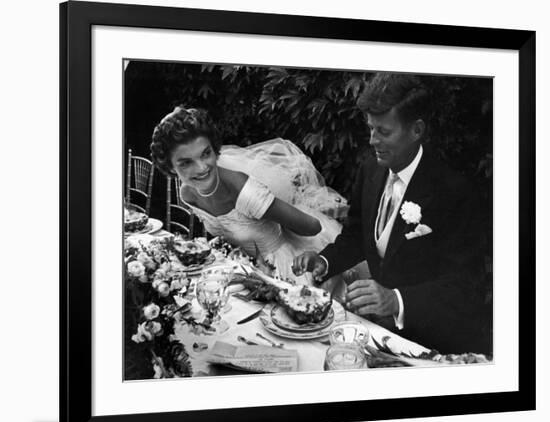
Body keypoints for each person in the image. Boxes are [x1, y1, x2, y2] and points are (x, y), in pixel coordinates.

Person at [293, 73, 490, 354]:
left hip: (435, 340)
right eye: (370, 129)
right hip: (380, 333)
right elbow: (356, 236)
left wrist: (396, 300)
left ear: (416, 130)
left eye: (383, 132)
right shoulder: (370, 169)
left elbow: (464, 287)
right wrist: (324, 261)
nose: (373, 140)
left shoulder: (454, 192)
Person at [150, 107, 344, 284]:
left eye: (206, 154)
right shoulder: (188, 193)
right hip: (245, 271)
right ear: (169, 167)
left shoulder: (245, 191)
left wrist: (273, 214)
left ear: (214, 149)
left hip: (287, 272)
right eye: (186, 163)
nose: (201, 167)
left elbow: (313, 227)